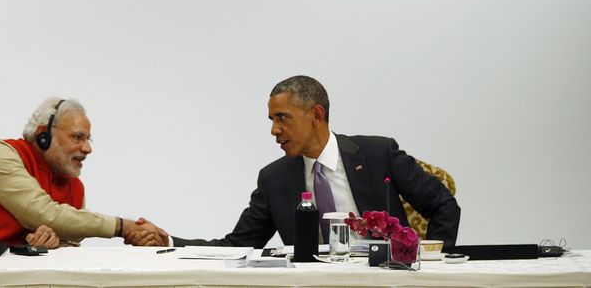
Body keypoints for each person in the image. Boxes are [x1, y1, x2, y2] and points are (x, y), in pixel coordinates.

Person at [137, 76, 460, 248]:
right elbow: (238, 245)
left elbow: (443, 205)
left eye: (282, 118)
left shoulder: (377, 154)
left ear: (316, 115)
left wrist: (430, 262)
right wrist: (170, 241)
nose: (274, 130)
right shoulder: (275, 179)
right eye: (271, 119)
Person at [0, 97, 168, 248]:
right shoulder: (1, 154)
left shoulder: (75, 186)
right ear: (43, 134)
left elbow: (68, 241)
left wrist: (51, 244)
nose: (88, 149)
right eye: (77, 137)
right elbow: (45, 214)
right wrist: (123, 227)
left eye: (88, 140)